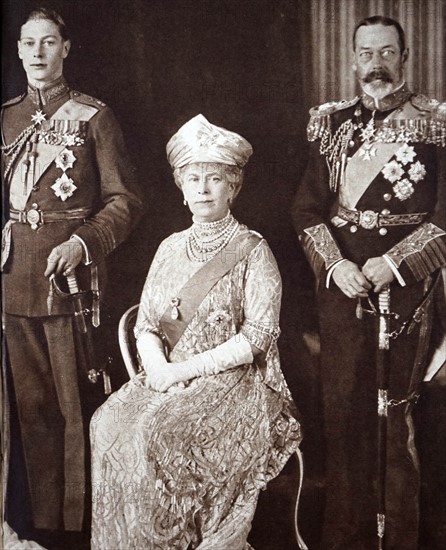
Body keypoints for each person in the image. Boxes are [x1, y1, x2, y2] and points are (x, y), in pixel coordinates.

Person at [90, 114, 302, 549]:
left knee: (157, 433)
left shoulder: (253, 250)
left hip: (233, 383)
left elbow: (259, 335)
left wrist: (188, 369)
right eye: (193, 179)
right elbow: (147, 322)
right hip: (168, 375)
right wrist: (160, 370)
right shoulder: (169, 247)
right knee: (106, 422)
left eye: (215, 179)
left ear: (234, 187)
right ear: (181, 189)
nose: (203, 188)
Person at [292, 15, 445, 550]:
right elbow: (307, 210)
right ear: (352, 59)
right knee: (342, 416)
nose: (375, 64)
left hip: (407, 292)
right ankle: (345, 539)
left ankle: (399, 541)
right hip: (343, 292)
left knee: (395, 423)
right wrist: (337, 266)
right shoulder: (330, 124)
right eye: (365, 53)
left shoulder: (436, 123)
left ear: (404, 58)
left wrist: (397, 263)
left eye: (386, 53)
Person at [1, 6, 143, 546]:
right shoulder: (7, 117)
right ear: (17, 50)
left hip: (69, 281)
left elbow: (125, 201)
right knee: (31, 408)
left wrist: (83, 243)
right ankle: (42, 525)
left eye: (49, 43)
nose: (38, 53)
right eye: (29, 43)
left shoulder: (94, 117)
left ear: (66, 49)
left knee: (70, 407)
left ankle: (79, 527)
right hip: (13, 276)